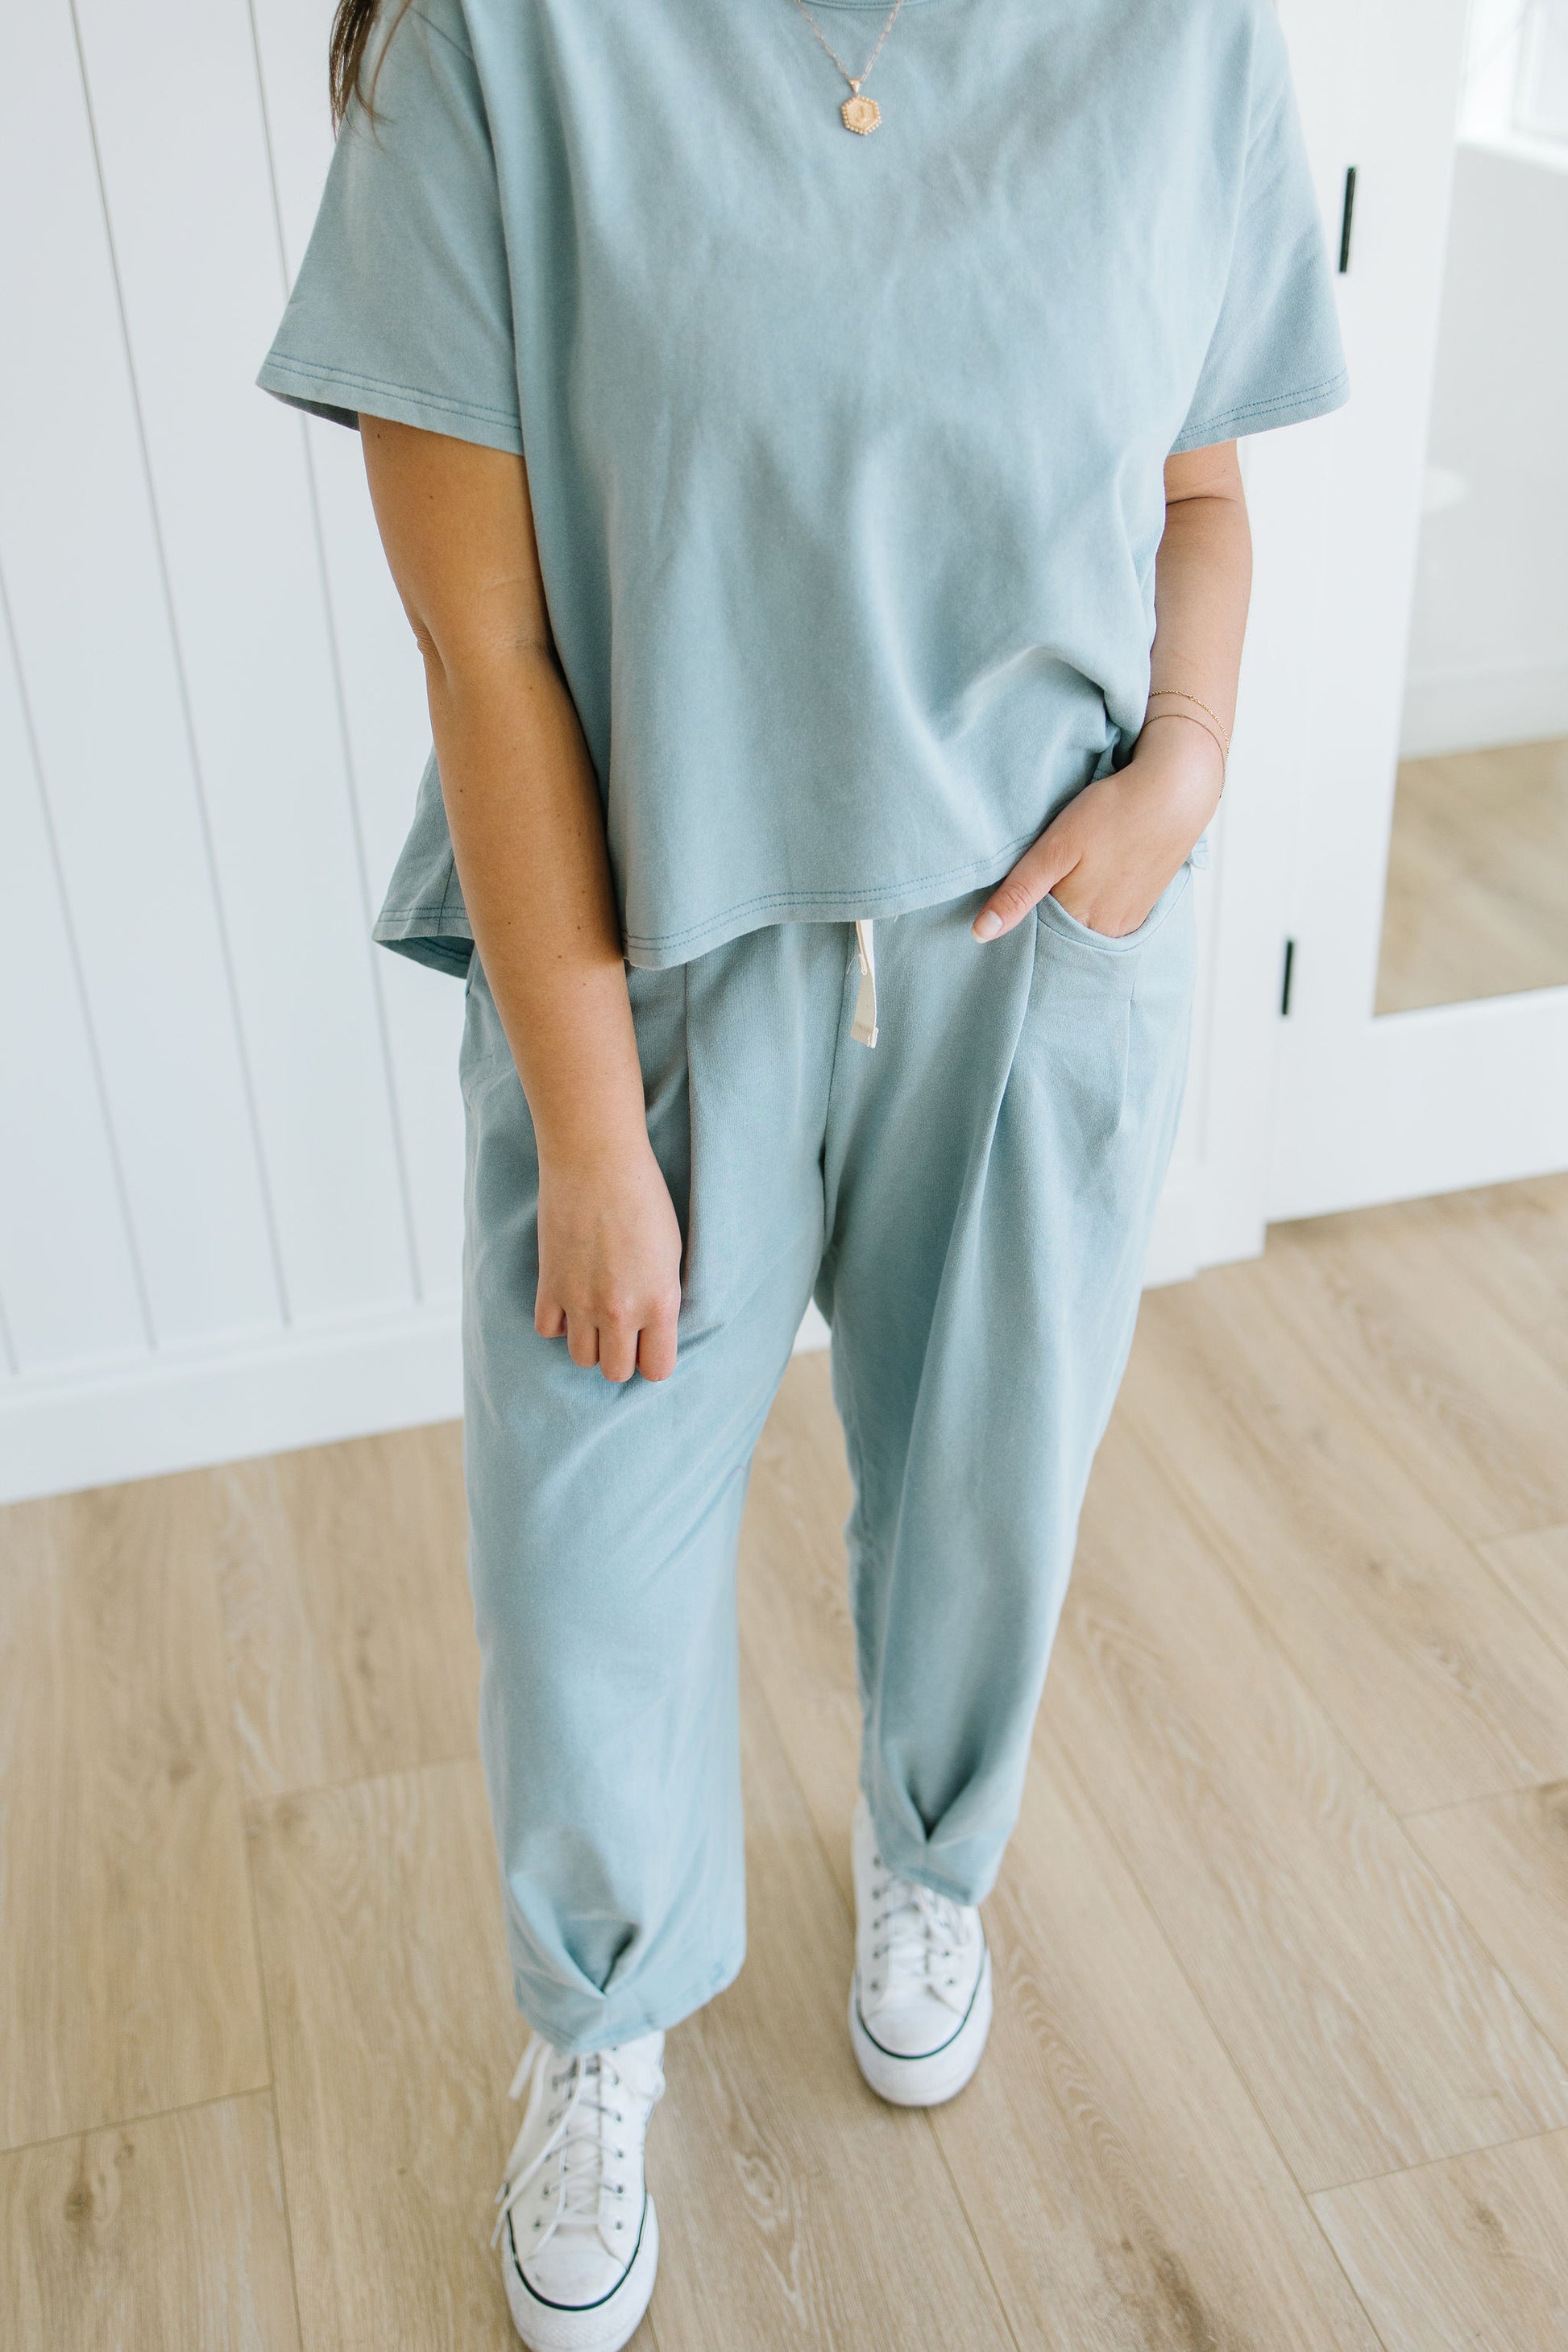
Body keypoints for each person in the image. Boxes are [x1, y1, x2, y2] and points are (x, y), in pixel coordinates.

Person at [259, 0, 1347, 2338]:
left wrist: (1181, 764)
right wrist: (579, 1124)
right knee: (586, 1554)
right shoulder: (501, 42)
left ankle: (926, 1857)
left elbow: (1198, 498)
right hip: (652, 951)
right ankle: (600, 2022)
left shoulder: (1170, 42)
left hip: (1038, 932)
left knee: (986, 1478)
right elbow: (485, 642)